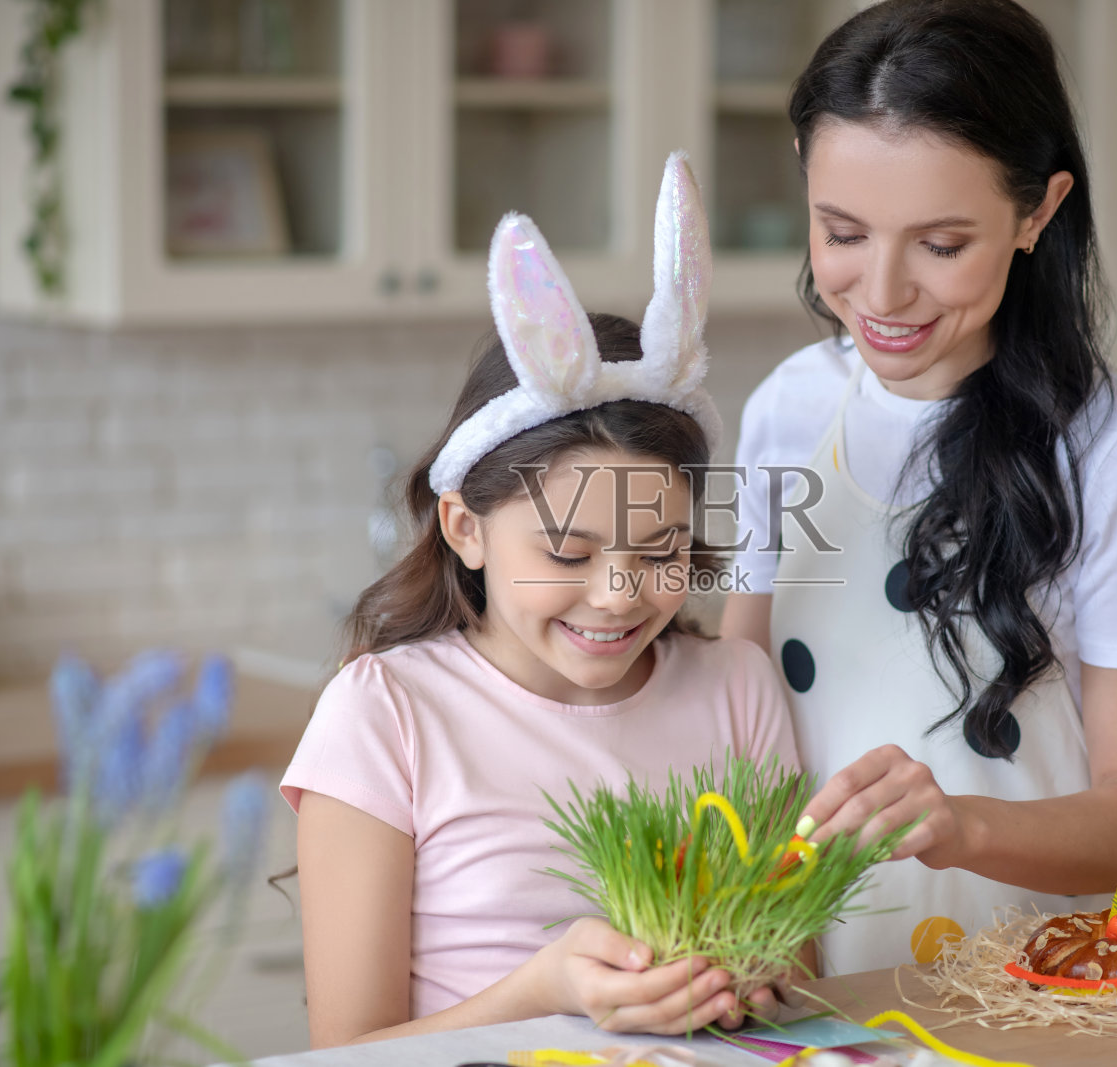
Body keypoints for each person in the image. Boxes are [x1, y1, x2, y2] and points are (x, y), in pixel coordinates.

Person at [719, 0, 1117, 976]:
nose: (881, 292)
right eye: (842, 232)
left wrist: (960, 825)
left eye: (940, 245)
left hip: (995, 1001)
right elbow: (738, 707)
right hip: (782, 987)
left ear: (1037, 210)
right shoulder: (790, 405)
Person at [282, 156, 797, 1045]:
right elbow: (344, 1052)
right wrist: (547, 989)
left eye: (659, 547)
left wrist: (750, 980)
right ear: (466, 528)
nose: (619, 594)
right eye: (568, 550)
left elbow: (796, 984)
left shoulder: (737, 689)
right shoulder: (386, 714)